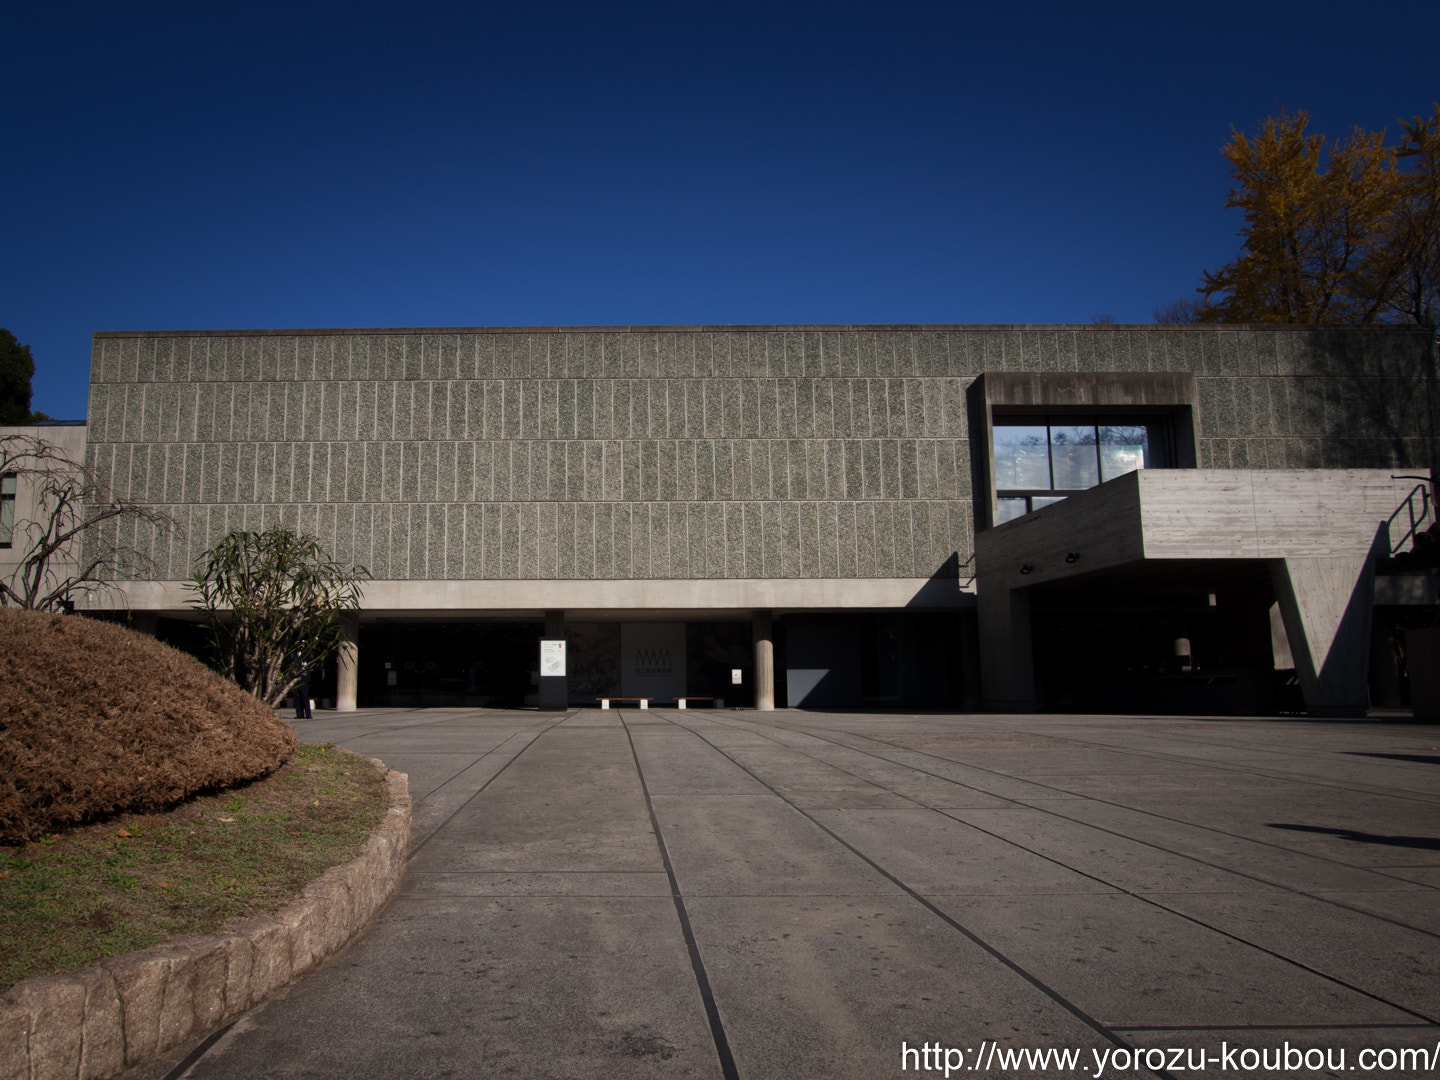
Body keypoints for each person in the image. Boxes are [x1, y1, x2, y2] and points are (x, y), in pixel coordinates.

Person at [293, 652, 313, 719]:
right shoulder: (295, 654)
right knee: (297, 697)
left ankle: (308, 714)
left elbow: (310, 664)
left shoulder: (307, 653)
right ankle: (299, 714)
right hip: (296, 678)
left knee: (305, 696)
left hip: (304, 678)